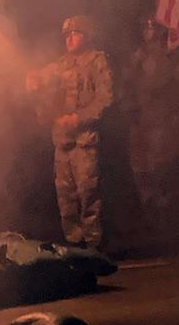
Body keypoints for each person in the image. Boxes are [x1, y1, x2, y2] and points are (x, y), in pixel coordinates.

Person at [26, 16, 113, 249]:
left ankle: (94, 245)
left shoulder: (97, 62)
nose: (70, 39)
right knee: (66, 197)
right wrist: (34, 80)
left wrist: (78, 118)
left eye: (75, 33)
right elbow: (42, 78)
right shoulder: (61, 65)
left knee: (88, 194)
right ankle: (74, 245)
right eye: (67, 35)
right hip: (63, 142)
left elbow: (105, 99)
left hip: (84, 141)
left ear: (86, 35)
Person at [119, 15, 179, 241]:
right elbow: (126, 86)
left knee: (161, 169)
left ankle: (165, 222)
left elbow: (178, 89)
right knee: (140, 169)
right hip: (140, 120)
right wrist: (129, 107)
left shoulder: (170, 56)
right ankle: (147, 217)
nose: (148, 32)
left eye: (152, 28)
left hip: (161, 119)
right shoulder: (136, 57)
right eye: (145, 28)